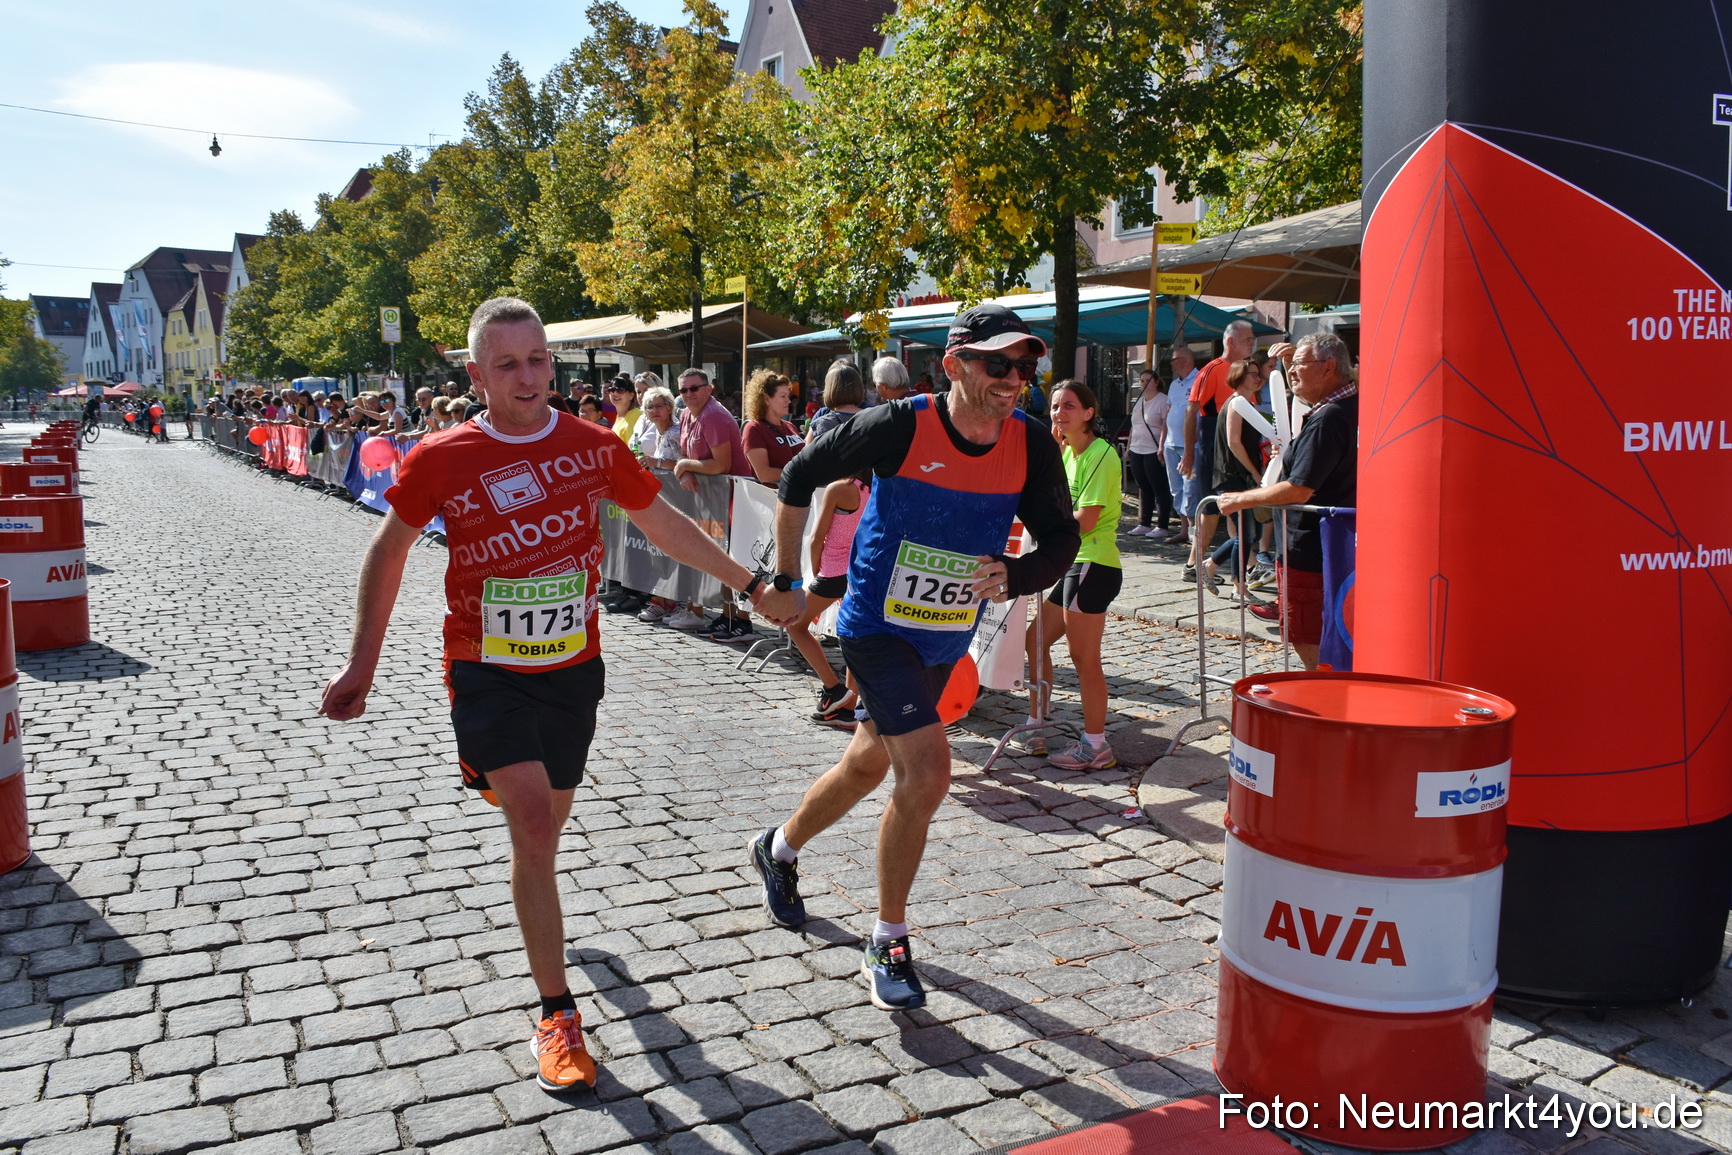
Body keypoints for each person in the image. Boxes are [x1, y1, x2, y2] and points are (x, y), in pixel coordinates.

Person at [320, 297, 799, 1092]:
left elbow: (666, 525)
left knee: (547, 824)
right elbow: (388, 549)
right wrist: (360, 666)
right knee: (535, 824)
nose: (527, 376)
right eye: (506, 364)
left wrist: (750, 585)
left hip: (573, 669)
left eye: (537, 359)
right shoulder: (443, 455)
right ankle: (557, 1014)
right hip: (485, 668)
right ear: (476, 376)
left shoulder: (591, 445)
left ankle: (515, 819)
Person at [753, 303, 1079, 1010]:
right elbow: (798, 476)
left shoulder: (1029, 441)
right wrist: (786, 578)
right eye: (998, 364)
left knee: (867, 763)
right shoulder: (899, 424)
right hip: (876, 628)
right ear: (954, 364)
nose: (1014, 379)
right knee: (927, 773)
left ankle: (777, 848)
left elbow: (1062, 539)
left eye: (1025, 367)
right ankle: (888, 940)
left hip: (945, 635)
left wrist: (1017, 573)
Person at [1220, 332, 1358, 670]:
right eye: (1290, 365)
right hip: (1332, 545)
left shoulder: (1330, 416)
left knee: (1309, 634)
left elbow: (1299, 489)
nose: (1290, 371)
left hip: (1309, 549)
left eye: (1299, 364)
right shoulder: (1349, 405)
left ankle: (1325, 696)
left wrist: (1241, 499)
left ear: (1328, 367)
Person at [1021, 381, 1123, 768]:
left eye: (1069, 406)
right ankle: (1036, 723)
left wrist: (1047, 531)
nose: (1059, 413)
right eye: (1054, 406)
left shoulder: (1102, 454)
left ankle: (1096, 745)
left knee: (1084, 658)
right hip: (1072, 563)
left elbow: (1086, 519)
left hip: (1094, 564)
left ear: (1088, 413)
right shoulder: (1066, 453)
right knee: (1035, 641)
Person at [670, 368, 753, 639]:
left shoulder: (714, 415)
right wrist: (684, 471)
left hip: (734, 499)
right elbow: (684, 453)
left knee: (734, 558)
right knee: (718, 556)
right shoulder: (685, 414)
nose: (688, 394)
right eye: (683, 390)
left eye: (694, 388)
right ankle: (727, 615)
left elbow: (721, 464)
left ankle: (742, 620)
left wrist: (684, 465)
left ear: (709, 389)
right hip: (710, 500)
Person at [788, 472, 869, 730]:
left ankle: (833, 689)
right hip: (862, 572)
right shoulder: (879, 486)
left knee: (795, 625)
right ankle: (848, 708)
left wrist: (816, 573)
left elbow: (816, 539)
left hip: (834, 572)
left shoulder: (839, 488)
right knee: (851, 638)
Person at [1179, 321, 1255, 580]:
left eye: (1252, 338)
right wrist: (1189, 453)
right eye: (1247, 339)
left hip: (1236, 445)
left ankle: (1241, 566)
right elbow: (1191, 410)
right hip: (1213, 444)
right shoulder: (1212, 369)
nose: (1252, 343)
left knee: (1231, 507)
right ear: (1231, 341)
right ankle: (1198, 566)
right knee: (1215, 509)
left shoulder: (1246, 372)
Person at [1200, 360, 1267, 601]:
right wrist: (1255, 473)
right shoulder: (1236, 403)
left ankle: (1211, 564)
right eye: (1253, 374)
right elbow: (1234, 442)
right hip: (1233, 477)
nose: (1258, 378)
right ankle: (1239, 587)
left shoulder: (1247, 404)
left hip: (1243, 477)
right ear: (1239, 376)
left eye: (1258, 374)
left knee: (1252, 535)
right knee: (1246, 535)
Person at [1125, 367, 1173, 540]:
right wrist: (1129, 446)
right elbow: (1134, 425)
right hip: (1137, 448)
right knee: (1143, 486)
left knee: (1159, 487)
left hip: (1153, 449)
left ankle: (1162, 525)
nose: (1144, 384)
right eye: (1142, 381)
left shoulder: (1162, 400)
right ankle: (1144, 523)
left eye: (1148, 380)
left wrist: (1161, 447)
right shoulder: (1139, 401)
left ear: (1156, 383)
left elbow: (1166, 425)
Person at [741, 371, 802, 485]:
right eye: (783, 396)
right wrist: (800, 474)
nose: (788, 401)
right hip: (771, 494)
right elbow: (764, 474)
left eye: (788, 396)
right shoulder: (754, 429)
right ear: (766, 399)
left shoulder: (790, 426)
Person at [805, 362, 865, 444]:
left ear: (829, 390)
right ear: (859, 387)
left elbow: (807, 450)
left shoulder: (823, 423)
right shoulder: (873, 417)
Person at [606, 378, 640, 445]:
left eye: (620, 390)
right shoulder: (620, 417)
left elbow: (634, 447)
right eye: (612, 390)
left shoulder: (636, 415)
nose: (615, 393)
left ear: (631, 395)